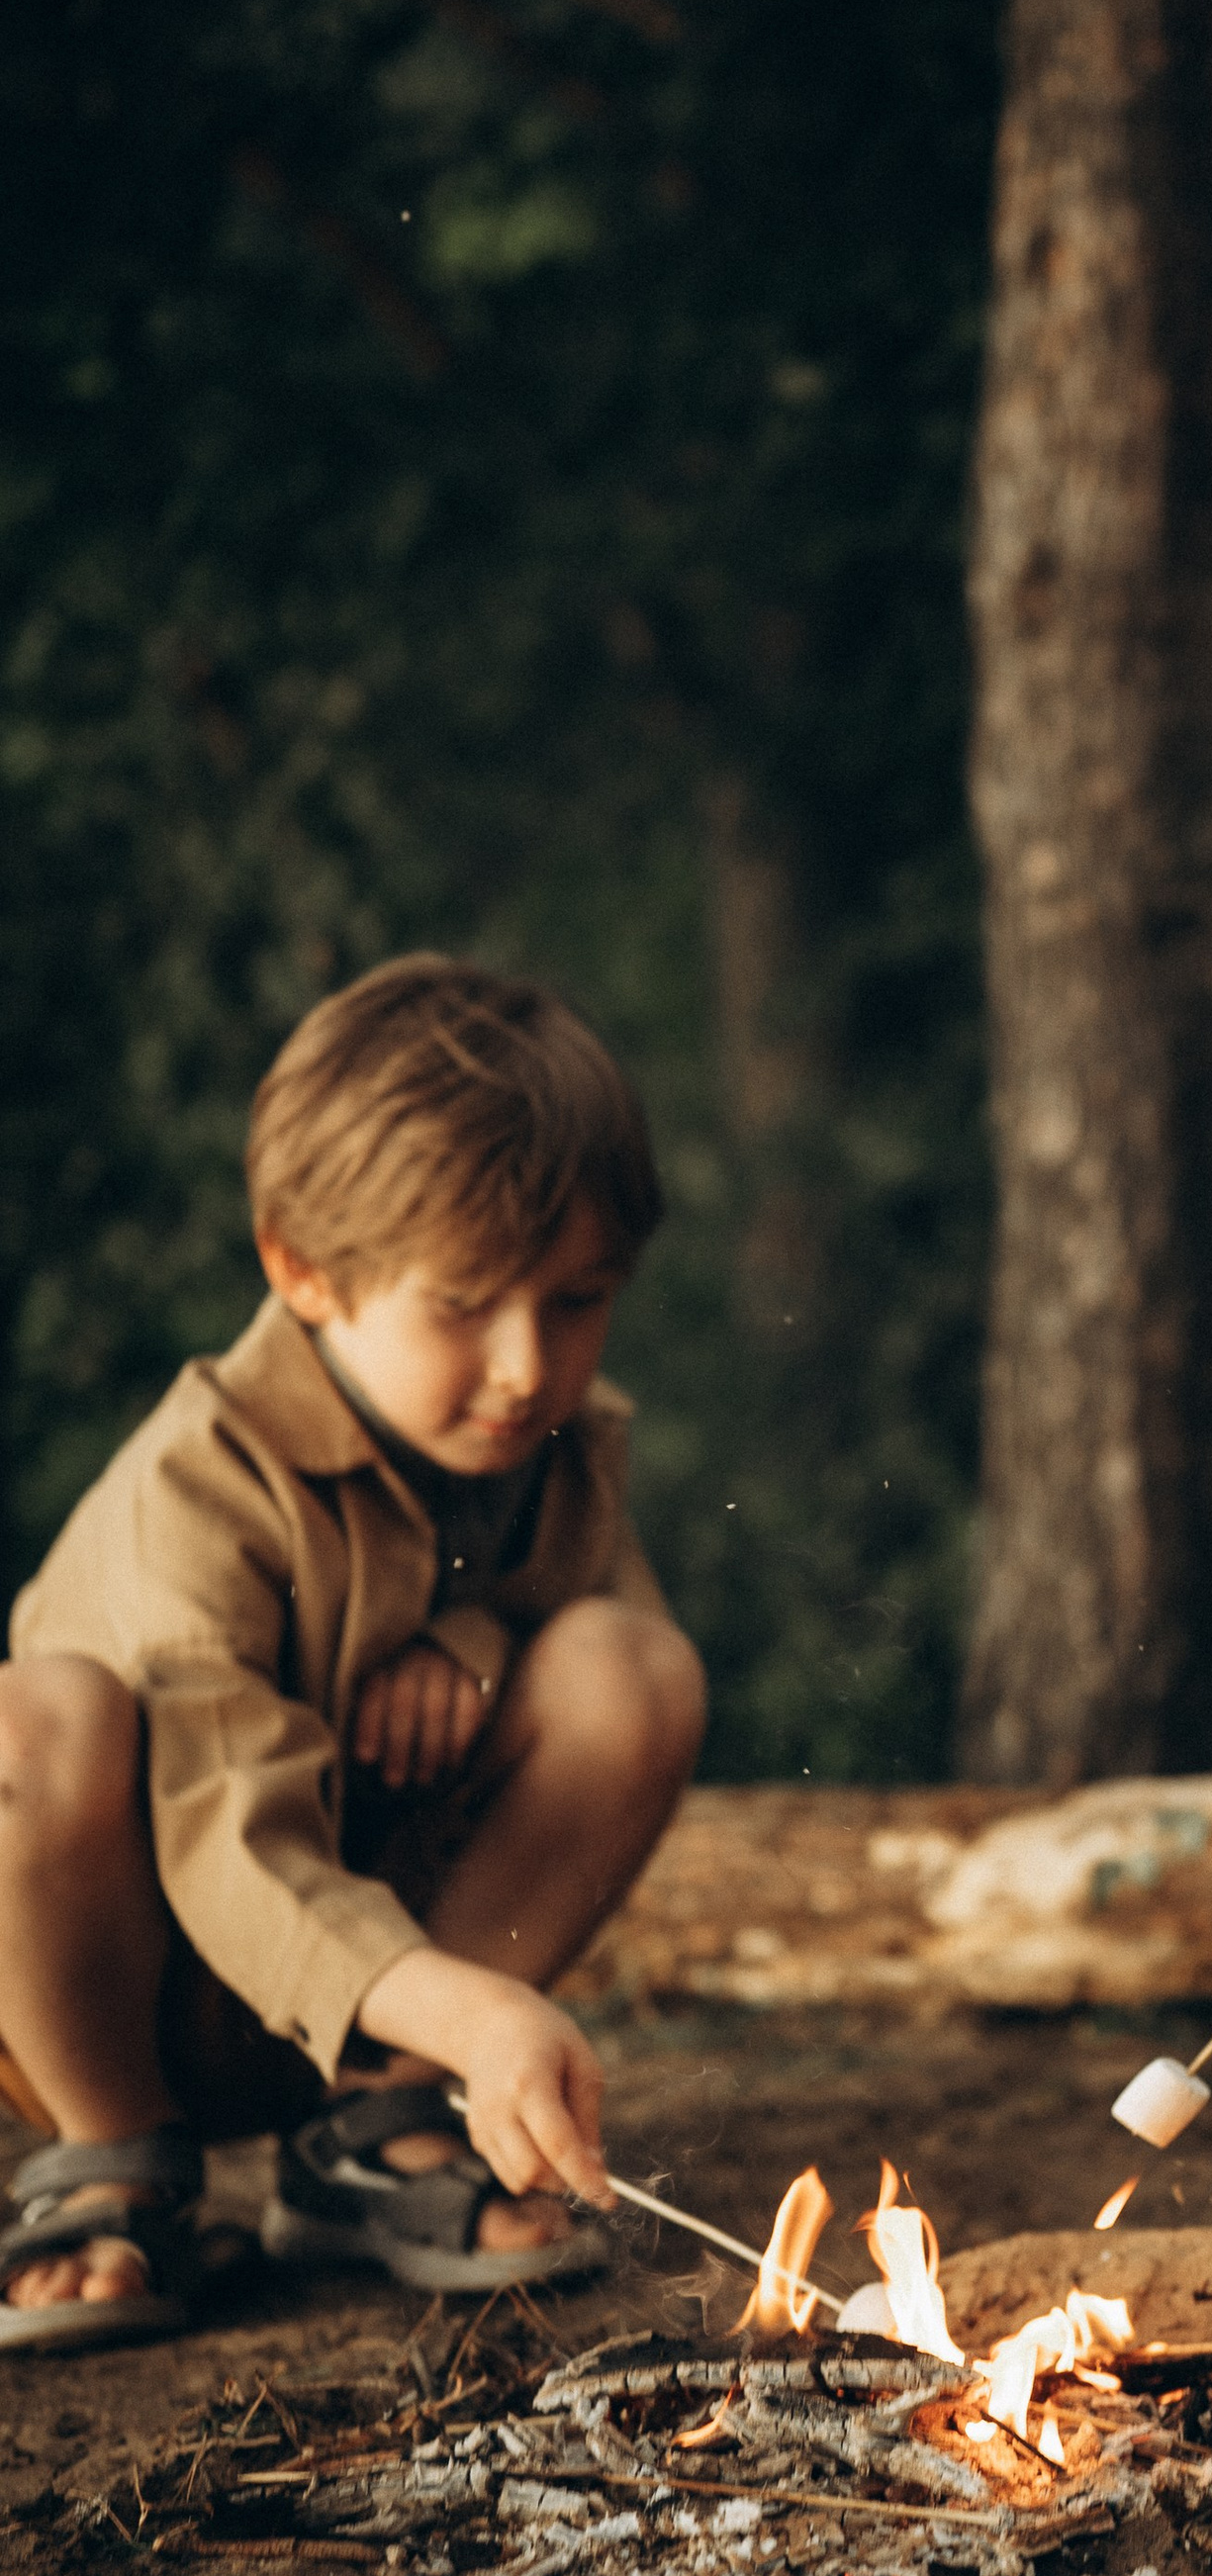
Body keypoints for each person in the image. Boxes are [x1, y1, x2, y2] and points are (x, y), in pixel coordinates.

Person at [0, 954, 707, 2350]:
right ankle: (115, 2163)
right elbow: (226, 1846)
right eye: (465, 1304)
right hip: (124, 1988)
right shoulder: (201, 1487)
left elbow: (589, 1632)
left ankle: (373, 2128)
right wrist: (479, 2013)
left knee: (636, 1671)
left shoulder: (552, 1451)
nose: (526, 1367)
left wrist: (475, 1633)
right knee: (36, 1724)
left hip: (369, 1995)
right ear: (304, 1272)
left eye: (577, 1301)